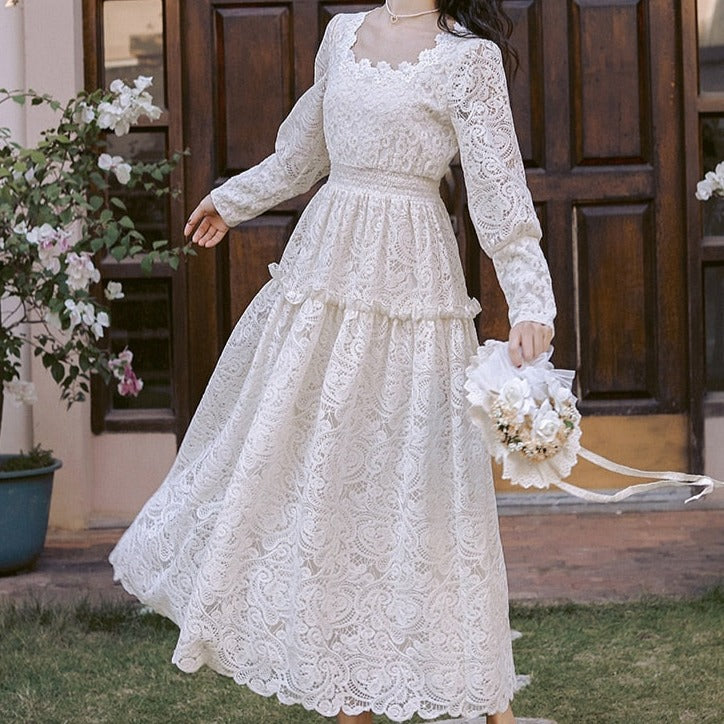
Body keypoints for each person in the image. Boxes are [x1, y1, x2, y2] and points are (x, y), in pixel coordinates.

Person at [109, 2, 556, 723]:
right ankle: (348, 692)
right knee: (324, 479)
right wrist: (232, 200)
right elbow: (303, 154)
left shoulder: (468, 59)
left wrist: (531, 300)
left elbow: (499, 194)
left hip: (412, 288)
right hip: (326, 276)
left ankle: (485, 696)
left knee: (420, 486)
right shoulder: (341, 33)